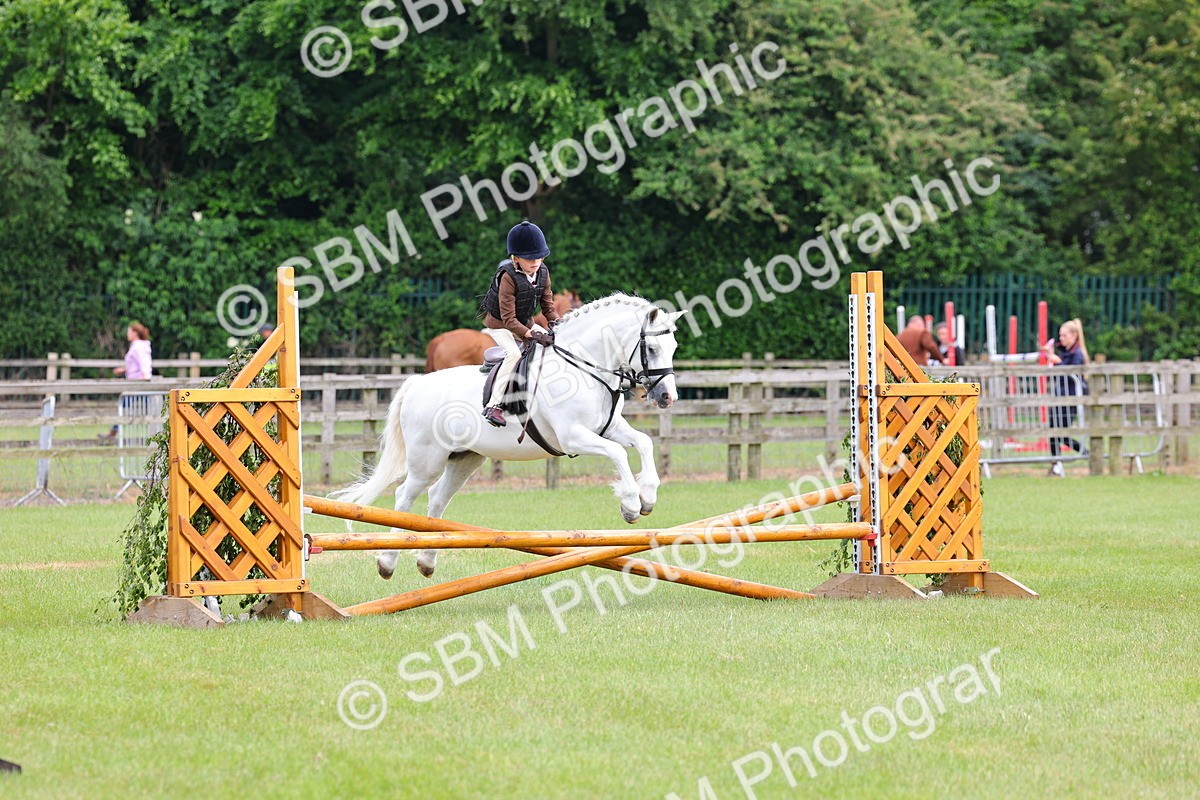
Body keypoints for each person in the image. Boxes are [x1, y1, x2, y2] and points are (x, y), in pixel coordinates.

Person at [479, 221, 560, 427]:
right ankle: (493, 405)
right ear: (515, 258)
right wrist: (530, 335)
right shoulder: (507, 277)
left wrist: (558, 324)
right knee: (514, 354)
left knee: (555, 343)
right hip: (499, 325)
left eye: (539, 257)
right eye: (529, 258)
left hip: (524, 322)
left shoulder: (543, 272)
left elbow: (548, 308)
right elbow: (508, 319)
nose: (536, 262)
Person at [1041, 319, 1089, 475]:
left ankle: (1086, 453)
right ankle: (1056, 463)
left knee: (1061, 434)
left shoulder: (1077, 354)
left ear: (1074, 335)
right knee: (1053, 431)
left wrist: (1057, 361)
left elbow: (1070, 372)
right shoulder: (1066, 352)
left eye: (1064, 335)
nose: (1061, 338)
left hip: (1071, 399)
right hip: (1059, 397)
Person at [105, 323, 153, 438]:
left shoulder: (138, 347)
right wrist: (125, 370)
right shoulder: (138, 346)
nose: (128, 334)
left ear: (135, 333)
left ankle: (113, 432)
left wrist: (144, 379)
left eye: (129, 331)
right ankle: (114, 431)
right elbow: (136, 365)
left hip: (138, 384)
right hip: (136, 382)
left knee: (124, 406)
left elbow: (143, 364)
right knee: (127, 406)